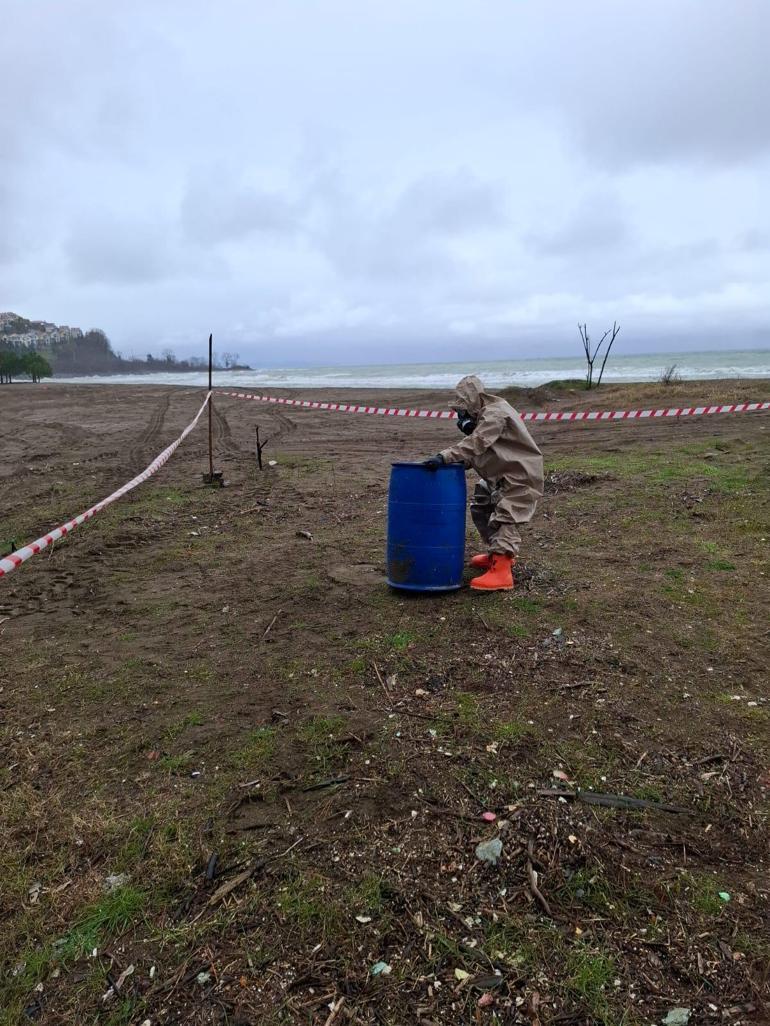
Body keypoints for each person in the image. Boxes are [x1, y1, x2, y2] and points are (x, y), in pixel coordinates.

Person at [423, 375, 543, 591]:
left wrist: (445, 456)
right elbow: (480, 451)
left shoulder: (495, 414)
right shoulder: (483, 418)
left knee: (507, 515)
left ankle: (502, 571)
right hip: (501, 475)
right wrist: (453, 463)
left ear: (472, 403)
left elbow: (478, 443)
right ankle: (496, 555)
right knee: (481, 506)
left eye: (462, 412)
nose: (461, 418)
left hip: (520, 475)